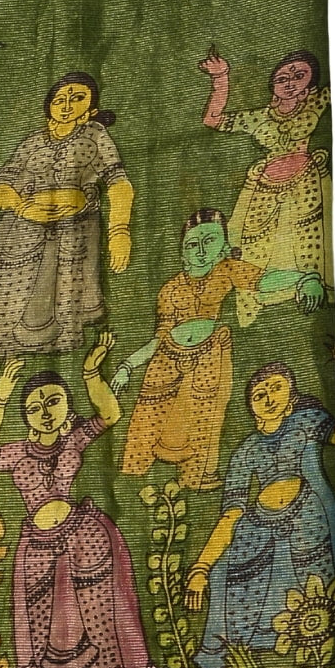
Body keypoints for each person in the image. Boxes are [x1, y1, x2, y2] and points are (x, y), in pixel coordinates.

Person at [0, 334, 160, 668]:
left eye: (53, 401)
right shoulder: (16, 453)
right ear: (26, 418)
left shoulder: (74, 440)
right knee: (48, 629)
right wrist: (1, 399)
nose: (45, 412)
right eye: (34, 407)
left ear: (67, 405)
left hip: (85, 540)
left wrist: (91, 372)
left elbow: (110, 415)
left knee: (99, 619)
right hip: (39, 551)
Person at [113, 209, 322, 491]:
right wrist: (127, 366)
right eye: (192, 244)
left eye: (209, 241)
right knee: (148, 413)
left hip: (209, 355)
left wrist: (304, 279)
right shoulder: (170, 289)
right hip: (166, 358)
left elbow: (263, 280)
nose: (200, 251)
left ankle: (195, 478)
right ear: (182, 252)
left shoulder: (226, 270)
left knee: (205, 414)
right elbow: (159, 338)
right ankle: (133, 473)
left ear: (224, 245)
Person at [184, 362, 335, 668]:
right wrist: (201, 568)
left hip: (306, 519)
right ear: (251, 407)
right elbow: (230, 515)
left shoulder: (306, 422)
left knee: (315, 596)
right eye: (259, 395)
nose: (269, 398)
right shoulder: (246, 451)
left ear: (291, 396)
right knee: (222, 571)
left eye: (276, 388)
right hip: (256, 529)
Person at [0, 72, 134, 356]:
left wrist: (119, 231)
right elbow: (2, 183)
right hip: (23, 229)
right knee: (11, 294)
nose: (66, 105)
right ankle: (1, 353)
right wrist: (19, 205)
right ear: (48, 106)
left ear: (91, 109)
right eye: (59, 100)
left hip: (74, 230)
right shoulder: (34, 142)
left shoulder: (95, 135)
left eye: (77, 98)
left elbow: (118, 183)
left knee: (61, 295)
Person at [198, 48, 330, 326]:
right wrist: (221, 79)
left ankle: (311, 304)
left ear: (310, 84)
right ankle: (256, 312)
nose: (289, 82)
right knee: (252, 247)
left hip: (305, 184)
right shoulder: (260, 117)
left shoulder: (316, 103)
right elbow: (213, 119)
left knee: (308, 245)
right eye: (282, 78)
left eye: (299, 76)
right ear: (272, 86)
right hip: (264, 189)